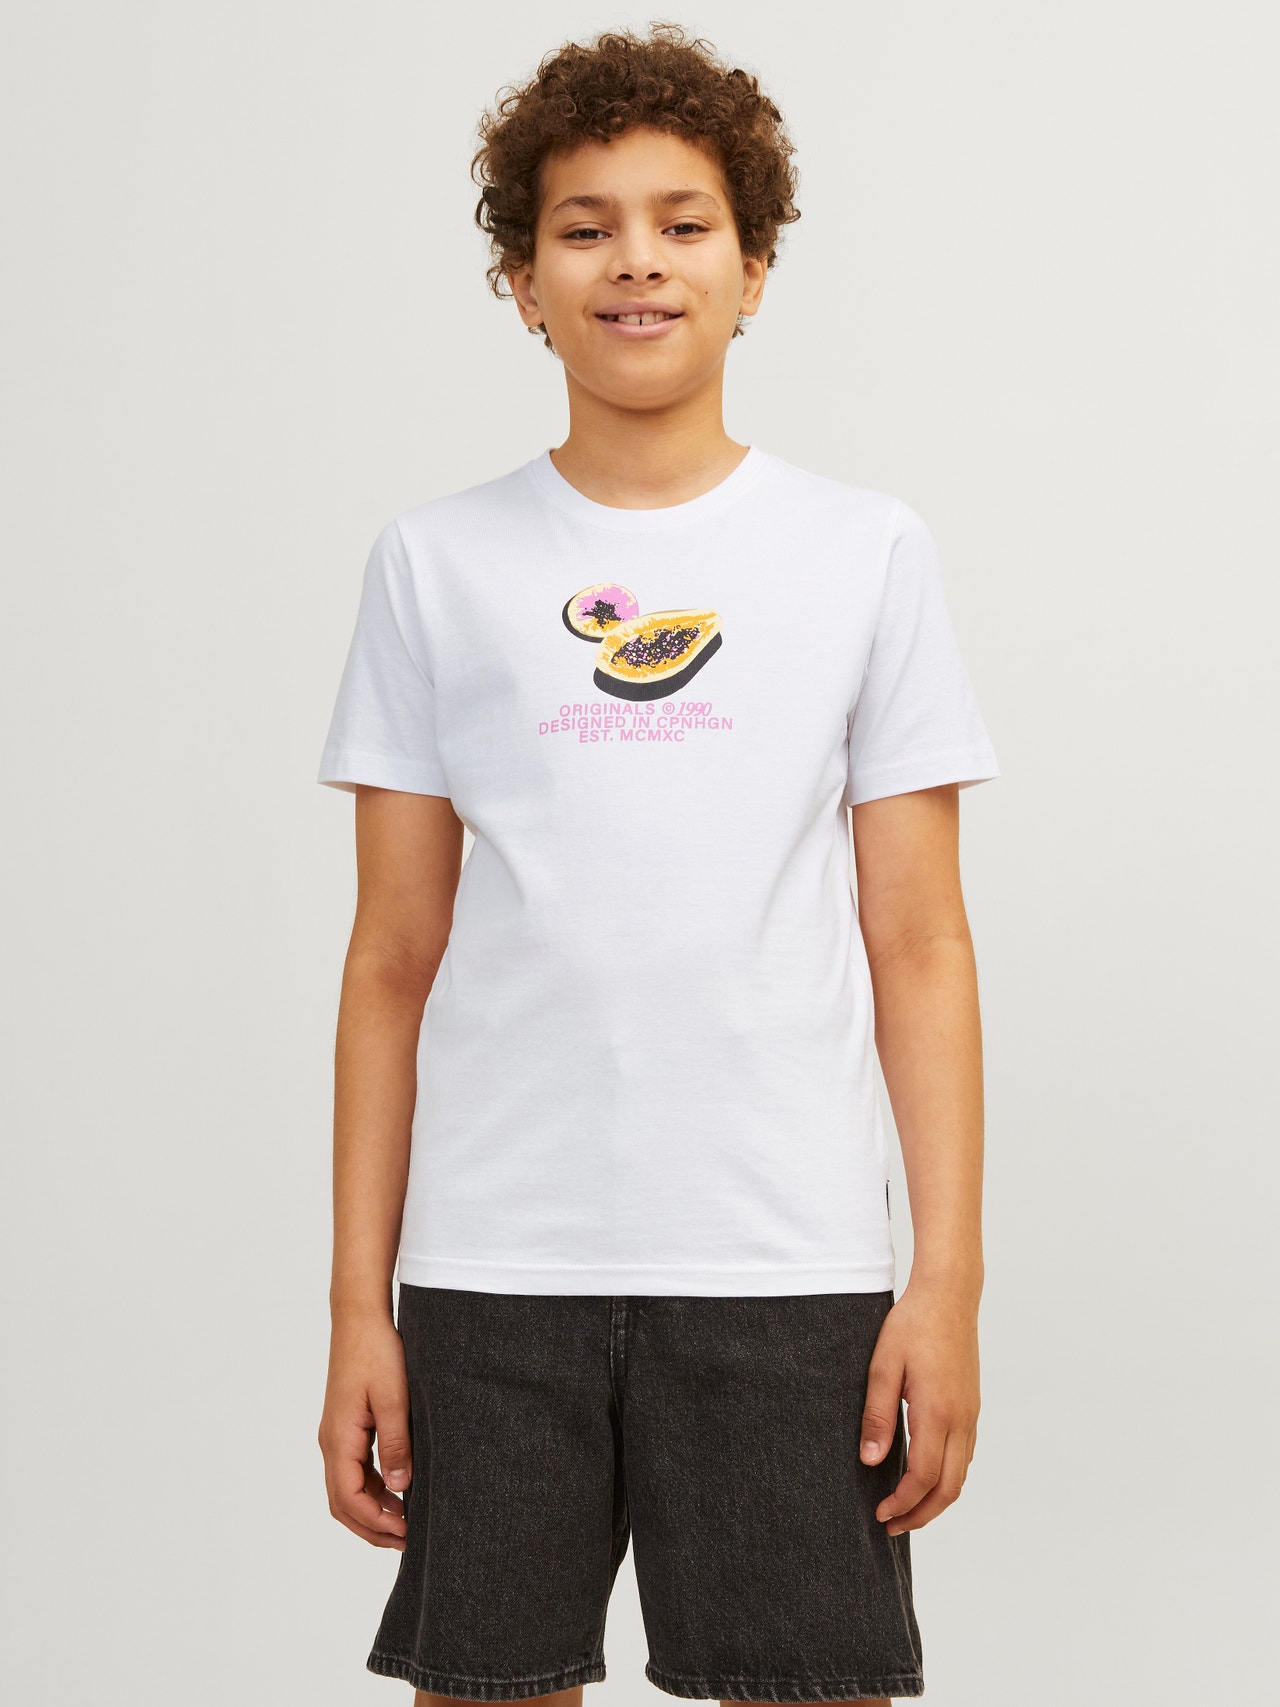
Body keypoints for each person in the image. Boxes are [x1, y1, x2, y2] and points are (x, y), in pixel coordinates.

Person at [316, 22, 999, 1707]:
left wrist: (947, 1283)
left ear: (754, 269)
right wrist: (357, 1309)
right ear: (522, 281)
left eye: (686, 223)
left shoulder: (865, 552)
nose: (637, 261)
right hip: (495, 1273)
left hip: (788, 1269)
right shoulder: (434, 565)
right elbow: (391, 958)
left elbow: (920, 941)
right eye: (585, 226)